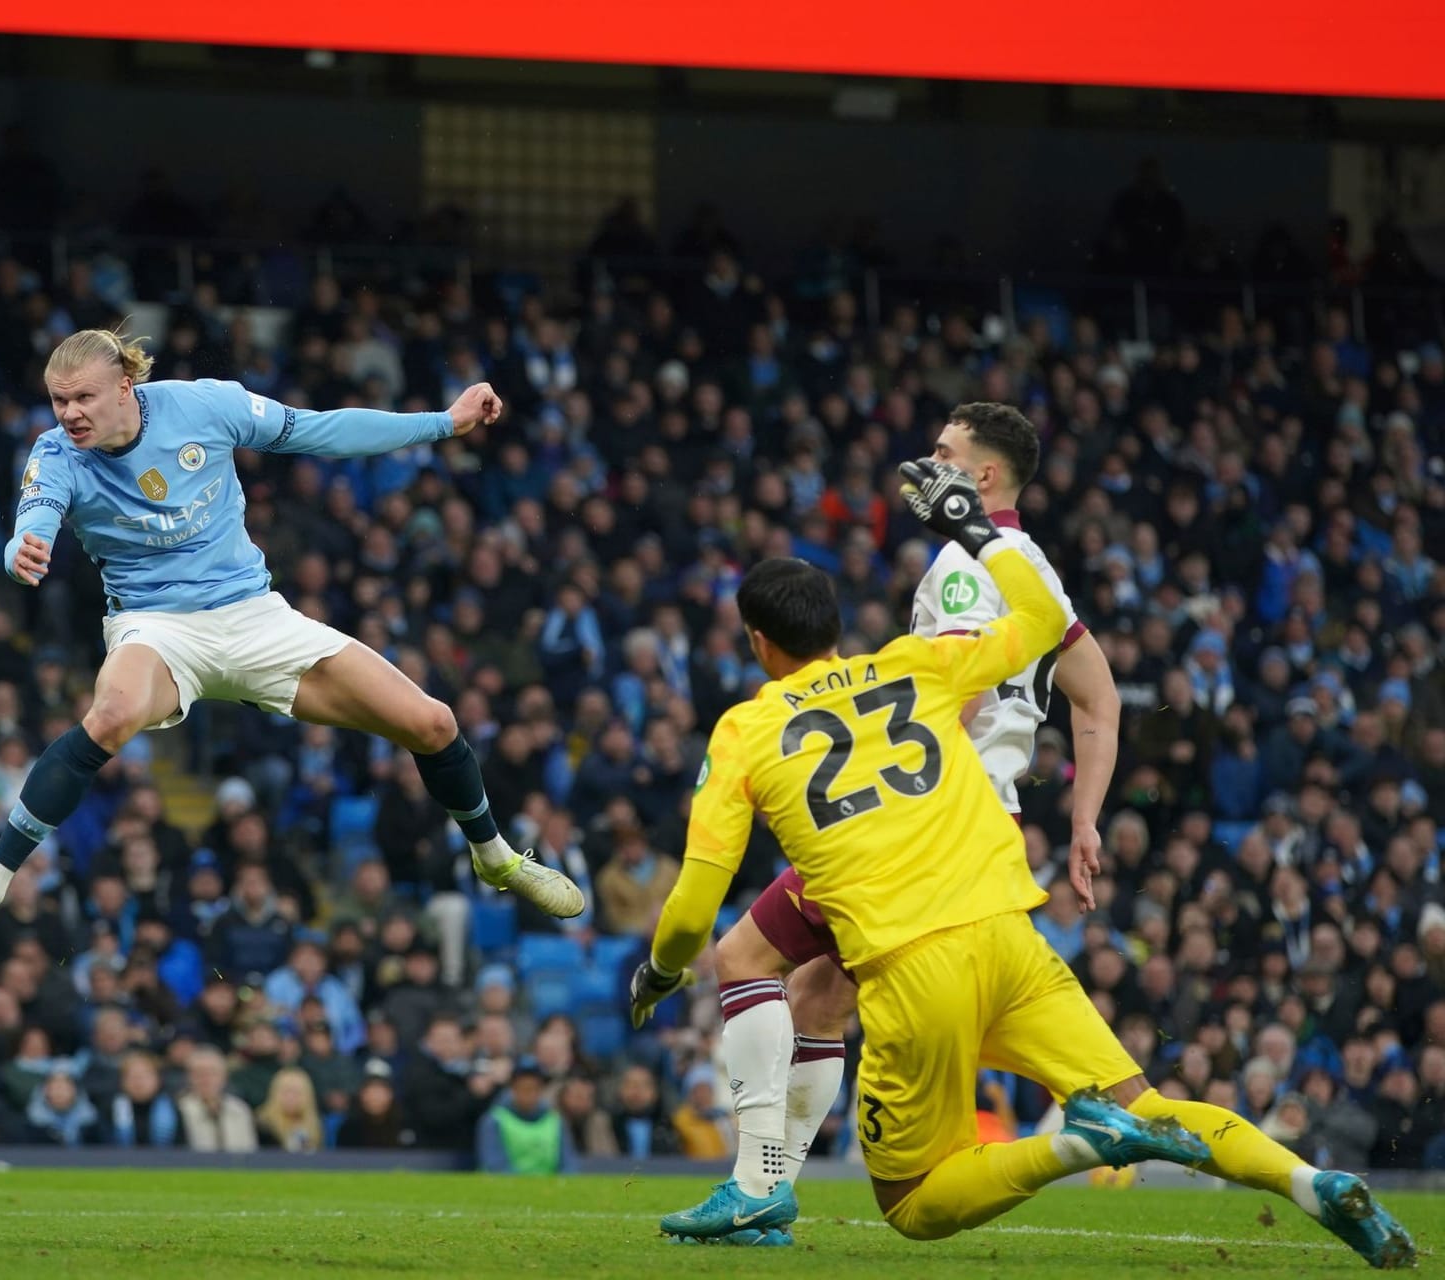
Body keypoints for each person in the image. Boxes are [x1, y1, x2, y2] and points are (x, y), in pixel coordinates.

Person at [630, 460, 1414, 1269]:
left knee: (913, 1204)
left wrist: (659, 973)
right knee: (1146, 1103)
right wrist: (975, 528)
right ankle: (1308, 1181)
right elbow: (1042, 618)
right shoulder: (918, 664)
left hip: (909, 966)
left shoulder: (742, 732)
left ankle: (1068, 1150)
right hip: (1013, 945)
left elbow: (693, 911)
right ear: (836, 625)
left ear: (759, 643)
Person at [0, 328, 581, 929]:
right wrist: (22, 552)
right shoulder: (56, 454)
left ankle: (495, 859)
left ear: (126, 386)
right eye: (59, 400)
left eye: (84, 398)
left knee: (434, 722)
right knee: (109, 715)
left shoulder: (207, 406)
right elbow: (37, 515)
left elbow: (322, 430)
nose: (70, 414)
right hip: (156, 626)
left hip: (254, 616)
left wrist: (444, 422)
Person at [729, 403, 1125, 1189]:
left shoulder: (960, 565)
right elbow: (1100, 698)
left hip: (929, 822)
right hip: (990, 822)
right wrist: (1084, 821)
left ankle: (757, 1186)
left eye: (943, 452)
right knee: (817, 1000)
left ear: (981, 476)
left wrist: (866, 759)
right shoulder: (1031, 564)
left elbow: (959, 701)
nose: (925, 463)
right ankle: (771, 1189)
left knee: (743, 955)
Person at [476, 1058, 577, 1175]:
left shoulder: (555, 1121)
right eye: (523, 1088)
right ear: (513, 1088)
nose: (528, 1094)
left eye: (534, 1088)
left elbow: (568, 1165)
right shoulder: (494, 1121)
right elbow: (495, 1165)